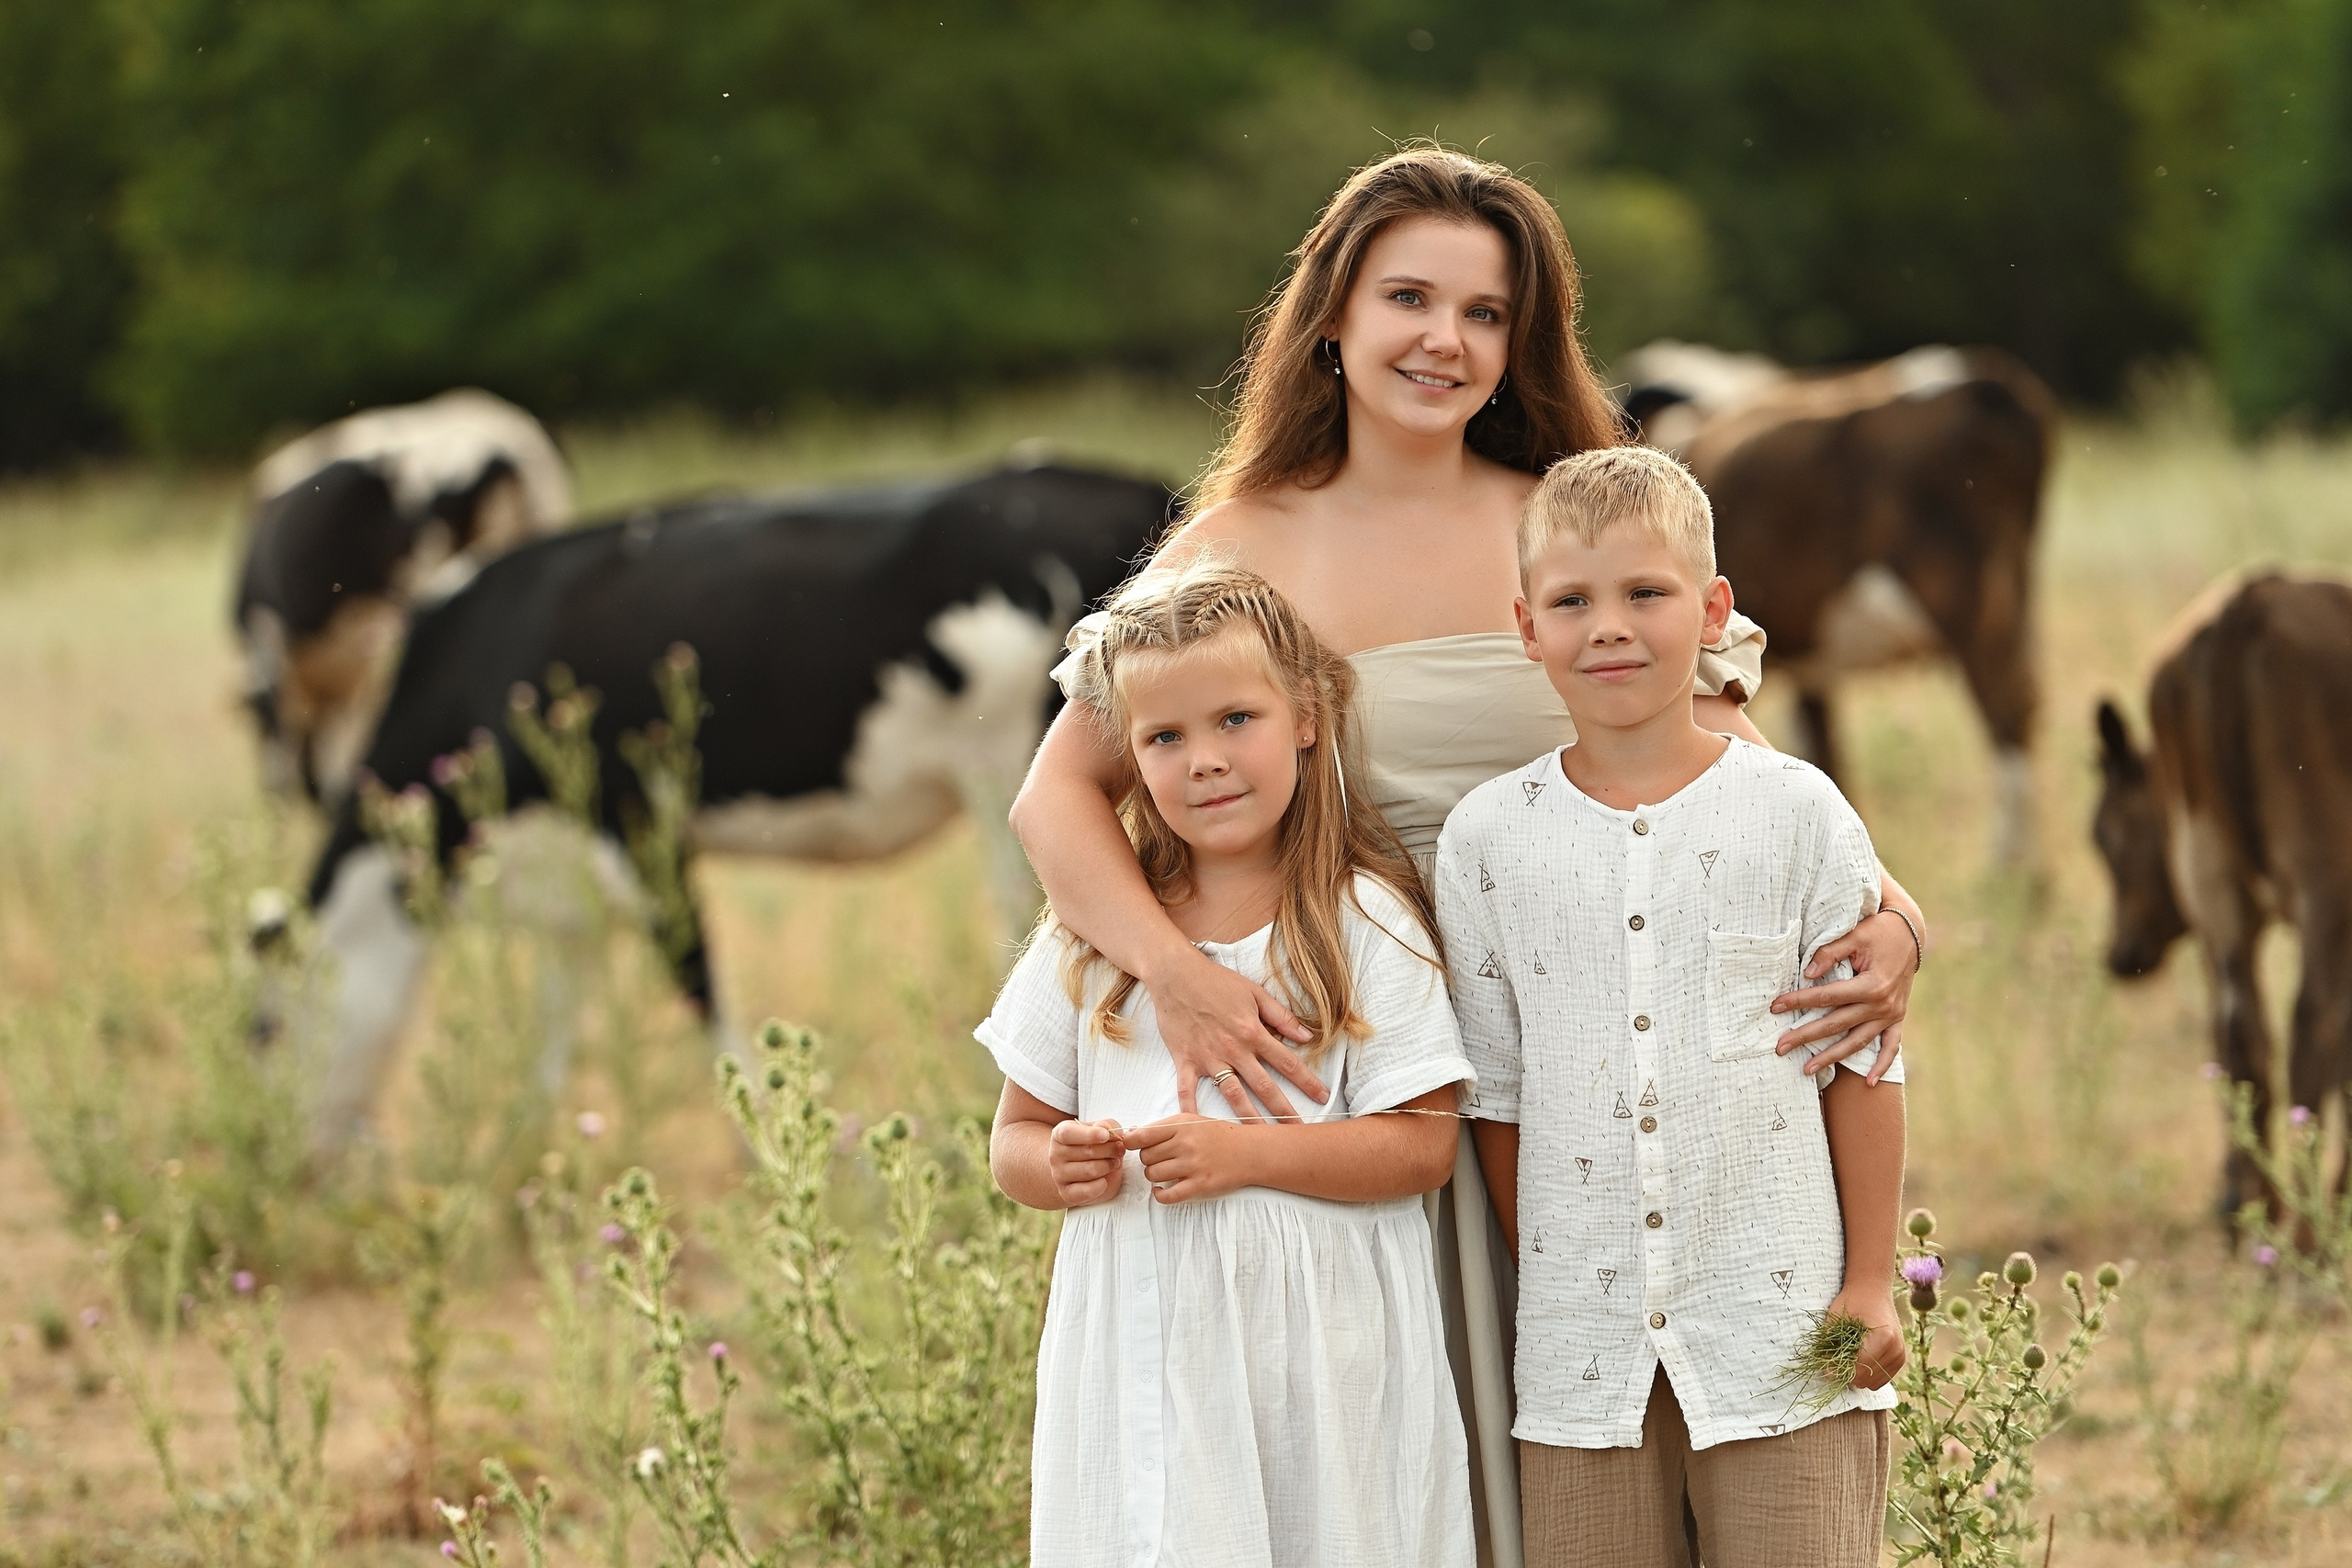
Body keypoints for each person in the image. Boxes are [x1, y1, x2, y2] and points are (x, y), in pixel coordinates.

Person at [1010, 146, 1926, 1565]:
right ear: (1333, 318)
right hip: (1365, 1061)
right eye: (1409, 298)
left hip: (1589, 1066)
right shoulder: (1241, 544)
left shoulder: (1573, 527)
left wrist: (1896, 918)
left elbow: (1742, 774)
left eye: (1486, 313)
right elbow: (1054, 801)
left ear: (1522, 341)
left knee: (1679, 1443)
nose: (1444, 339)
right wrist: (1177, 973)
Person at [1442, 446, 1907, 1568]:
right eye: (1572, 601)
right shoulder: (1488, 843)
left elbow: (1866, 1065)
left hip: (1784, 1334)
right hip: (1582, 1366)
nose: (1609, 627)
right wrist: (1551, 1286)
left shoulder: (1795, 811)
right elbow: (1498, 1104)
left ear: (1712, 612)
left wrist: (1869, 1281)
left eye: (1645, 594)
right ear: (1525, 626)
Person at [982, 558, 1478, 1568]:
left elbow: (1422, 1150)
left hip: (1321, 1369)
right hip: (1138, 1354)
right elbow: (1013, 1142)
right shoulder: (1090, 944)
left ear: (1304, 716)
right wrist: (1058, 1164)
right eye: (1164, 737)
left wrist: (1244, 1157)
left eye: (1234, 721)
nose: (1202, 759)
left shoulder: (1360, 920)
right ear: (1127, 751)